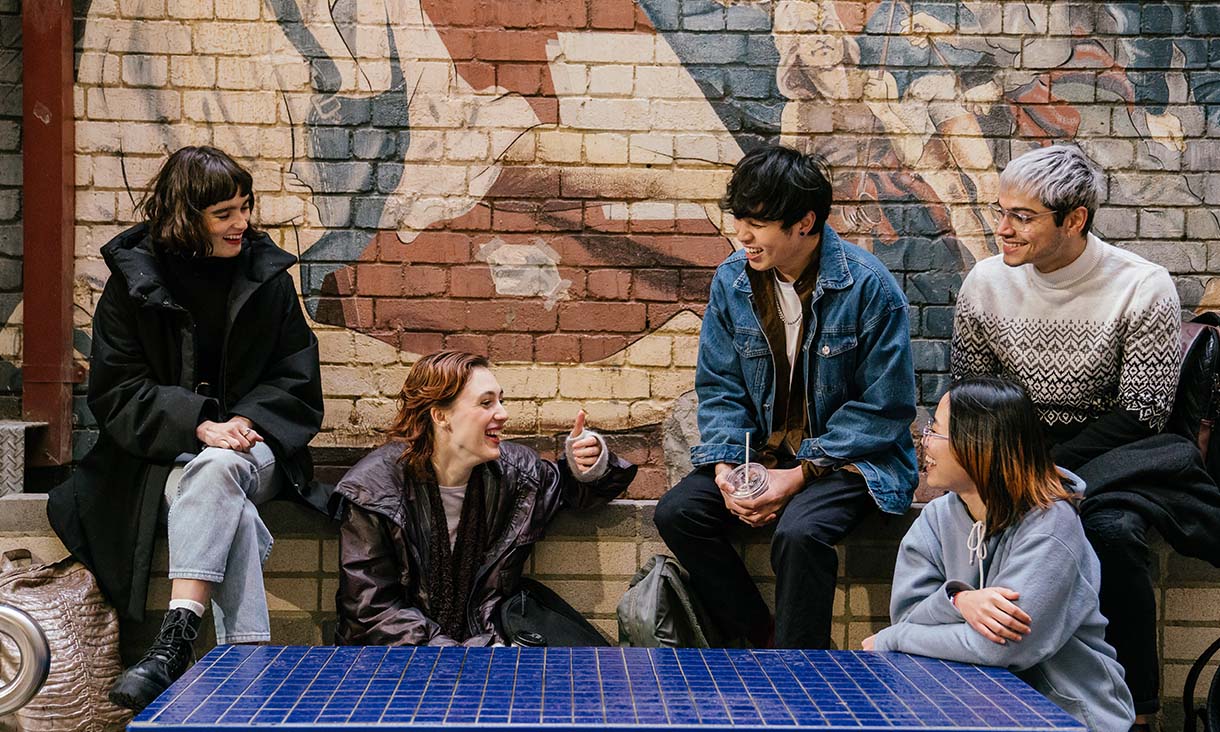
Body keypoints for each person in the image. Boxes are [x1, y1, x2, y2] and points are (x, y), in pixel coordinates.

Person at [46, 146, 325, 712]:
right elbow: (116, 389)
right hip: (162, 457)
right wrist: (199, 424)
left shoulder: (264, 275)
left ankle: (174, 637)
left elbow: (297, 375)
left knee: (223, 466)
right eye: (224, 213)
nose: (241, 223)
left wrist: (243, 421)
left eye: (245, 207)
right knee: (228, 504)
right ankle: (249, 677)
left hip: (258, 446)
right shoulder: (133, 282)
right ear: (184, 216)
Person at [950, 143, 1220, 728]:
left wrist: (1046, 471)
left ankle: (1139, 708)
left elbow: (1143, 412)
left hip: (1116, 459)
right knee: (963, 525)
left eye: (1022, 217)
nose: (1003, 229)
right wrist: (1015, 471)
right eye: (1000, 212)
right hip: (1011, 455)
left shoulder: (1140, 284)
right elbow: (972, 393)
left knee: (1110, 532)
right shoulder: (984, 283)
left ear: (1074, 219)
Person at [654, 144, 918, 649]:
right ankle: (762, 645)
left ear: (805, 222)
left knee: (799, 534)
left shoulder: (869, 288)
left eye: (758, 222)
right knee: (678, 512)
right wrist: (727, 469)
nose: (742, 234)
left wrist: (796, 476)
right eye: (739, 219)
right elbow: (720, 385)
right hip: (764, 454)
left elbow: (885, 410)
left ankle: (803, 676)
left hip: (852, 462)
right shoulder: (732, 280)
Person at [864, 377, 1135, 731]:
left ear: (978, 444)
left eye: (936, 430)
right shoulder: (935, 519)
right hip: (973, 709)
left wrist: (892, 640)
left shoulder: (1051, 524)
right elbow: (908, 616)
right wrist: (959, 601)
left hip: (1067, 715)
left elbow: (998, 648)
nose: (924, 441)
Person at [333, 350, 636, 646]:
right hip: (398, 664)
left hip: (489, 647)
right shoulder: (373, 489)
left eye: (500, 400)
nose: (503, 414)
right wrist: (453, 655)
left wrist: (588, 461)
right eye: (486, 403)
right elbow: (370, 610)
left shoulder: (517, 473)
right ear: (440, 415)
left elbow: (579, 490)